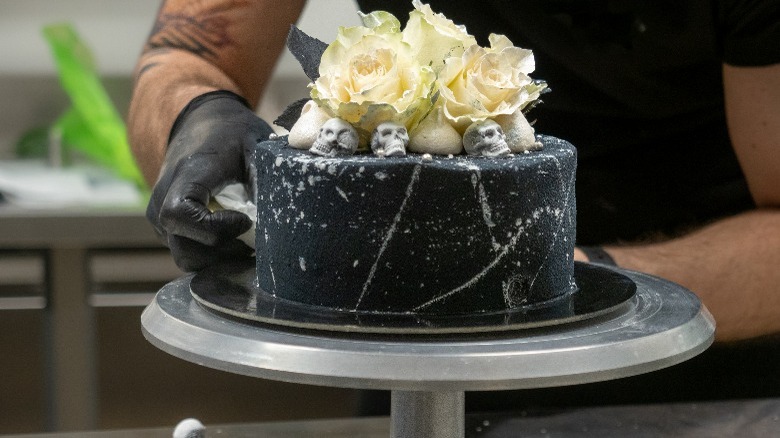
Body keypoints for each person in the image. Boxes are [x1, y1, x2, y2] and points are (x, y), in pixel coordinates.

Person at [129, 0, 779, 403]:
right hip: (411, 362)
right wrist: (195, 115)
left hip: (699, 381)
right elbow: (186, 53)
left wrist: (576, 284)